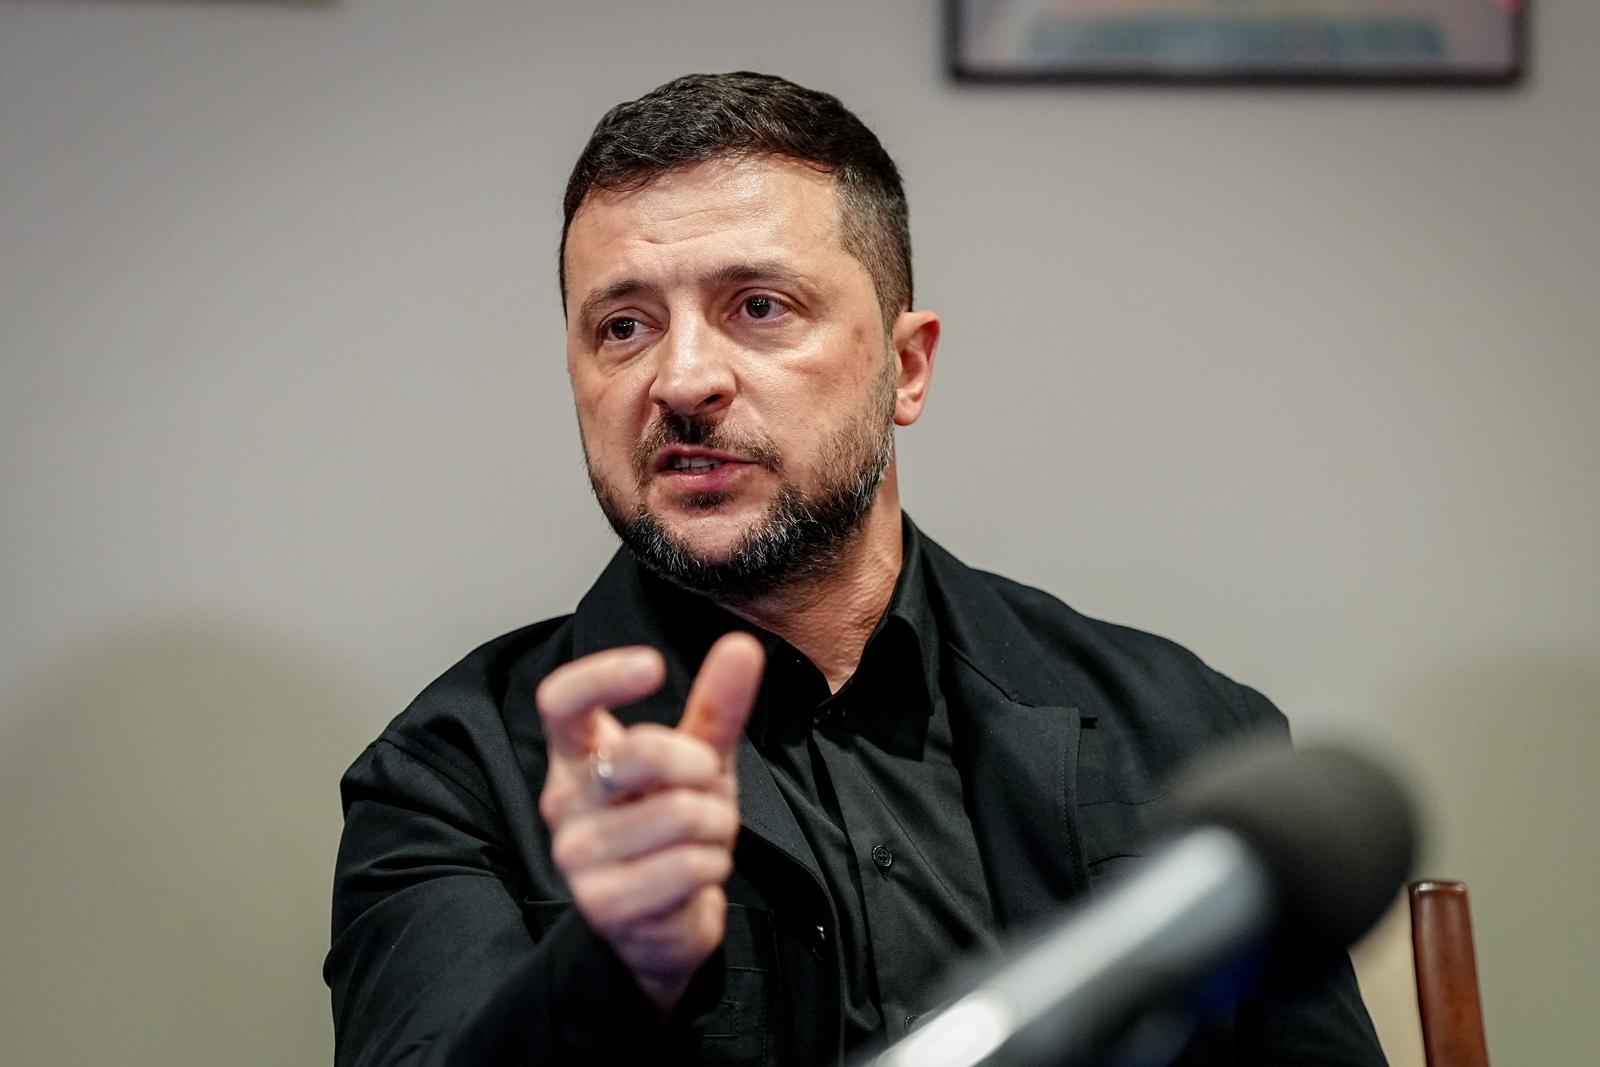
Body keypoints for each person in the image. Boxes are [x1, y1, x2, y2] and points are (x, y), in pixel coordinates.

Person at [326, 72, 1387, 1066]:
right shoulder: (448, 776)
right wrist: (616, 968)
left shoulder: (1185, 733)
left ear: (905, 366)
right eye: (623, 325)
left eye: (758, 307)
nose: (682, 377)